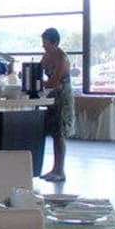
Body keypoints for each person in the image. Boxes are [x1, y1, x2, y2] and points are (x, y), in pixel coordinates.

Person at [38, 26, 75, 183]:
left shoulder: (62, 58)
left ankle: (60, 170)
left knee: (59, 133)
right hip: (51, 96)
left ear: (55, 43)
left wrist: (38, 84)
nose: (43, 46)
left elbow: (54, 81)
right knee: (53, 132)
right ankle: (54, 169)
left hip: (62, 96)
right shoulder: (46, 56)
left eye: (46, 43)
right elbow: (37, 71)